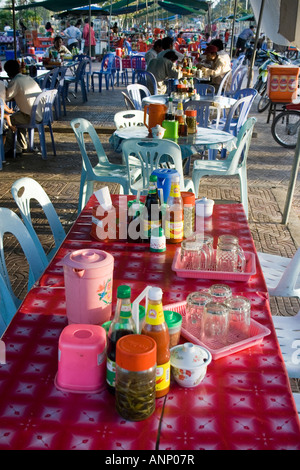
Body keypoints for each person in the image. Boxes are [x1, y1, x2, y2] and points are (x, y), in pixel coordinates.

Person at [3, 60, 42, 158]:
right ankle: (22, 146)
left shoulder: (15, 81)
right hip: (41, 114)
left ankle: (13, 148)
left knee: (7, 120)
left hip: (31, 116)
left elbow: (6, 97)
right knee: (18, 115)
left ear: (8, 73)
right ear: (19, 68)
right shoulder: (27, 77)